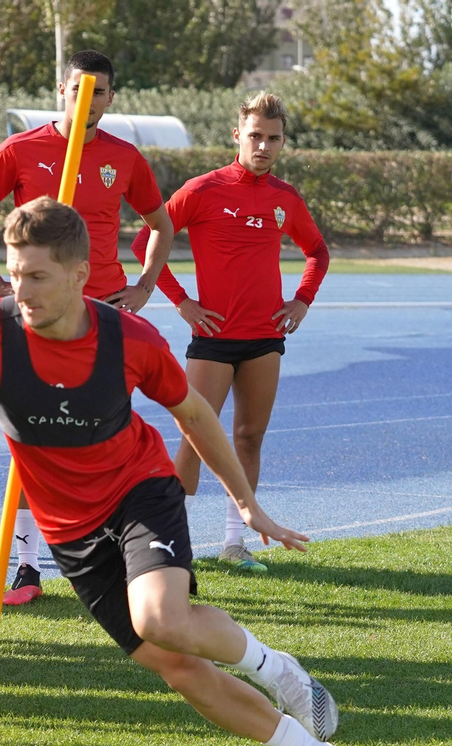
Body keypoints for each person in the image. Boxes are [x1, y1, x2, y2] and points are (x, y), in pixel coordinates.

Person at [0, 196, 351, 746]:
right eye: (14, 272)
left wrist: (246, 505)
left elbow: (193, 414)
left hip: (138, 492)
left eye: (38, 276)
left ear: (80, 275)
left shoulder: (128, 338)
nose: (21, 290)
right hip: (69, 530)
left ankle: (279, 672)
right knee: (179, 669)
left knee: (161, 618)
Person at [0, 49, 175, 606]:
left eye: (101, 91)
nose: (89, 99)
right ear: (61, 89)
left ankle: (116, 551)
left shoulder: (124, 158)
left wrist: (144, 286)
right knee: (35, 437)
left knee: (103, 433)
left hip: (103, 310)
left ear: (111, 98)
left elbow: (161, 224)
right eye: (81, 88)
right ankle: (28, 567)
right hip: (38, 316)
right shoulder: (21, 149)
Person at [131, 93, 328, 572]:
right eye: (255, 135)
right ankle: (168, 547)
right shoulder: (202, 190)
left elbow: (317, 252)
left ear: (283, 142)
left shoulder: (285, 199)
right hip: (214, 340)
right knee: (195, 439)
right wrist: (182, 302)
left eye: (273, 138)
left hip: (265, 339)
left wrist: (301, 301)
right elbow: (145, 240)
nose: (263, 145)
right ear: (237, 134)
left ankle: (234, 543)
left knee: (249, 437)